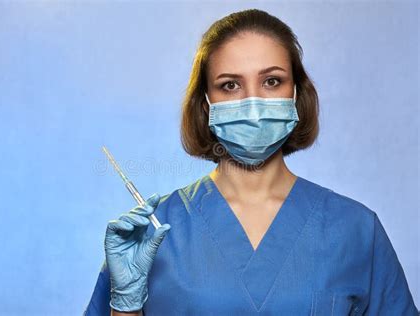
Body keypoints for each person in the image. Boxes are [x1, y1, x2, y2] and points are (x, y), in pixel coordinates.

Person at [83, 9, 418, 316]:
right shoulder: (155, 235)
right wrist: (125, 303)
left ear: (295, 95)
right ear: (205, 105)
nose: (253, 103)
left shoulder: (355, 230)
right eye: (230, 85)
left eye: (272, 81)